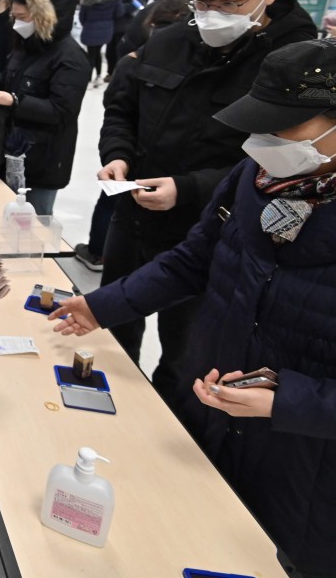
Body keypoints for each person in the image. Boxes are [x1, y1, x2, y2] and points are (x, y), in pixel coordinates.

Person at [51, 38, 336, 578]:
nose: (265, 142)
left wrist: (290, 401)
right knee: (190, 539)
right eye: (261, 125)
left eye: (285, 129)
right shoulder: (254, 180)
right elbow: (192, 260)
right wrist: (103, 305)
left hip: (310, 467)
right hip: (218, 413)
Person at [97, 0, 316, 401]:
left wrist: (189, 188)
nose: (213, 14)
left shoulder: (295, 67)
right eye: (203, 1)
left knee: (188, 358)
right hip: (133, 217)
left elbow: (279, 161)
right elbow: (121, 108)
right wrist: (116, 155)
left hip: (215, 234)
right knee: (112, 332)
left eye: (231, 3)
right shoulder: (172, 40)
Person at [74, 0, 193, 272]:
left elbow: (113, 108)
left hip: (153, 173)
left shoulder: (133, 61)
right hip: (133, 165)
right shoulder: (135, 63)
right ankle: (99, 253)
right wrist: (117, 153)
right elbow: (117, 114)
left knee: (111, 204)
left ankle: (96, 252)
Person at [0, 0, 89, 215]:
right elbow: (7, 79)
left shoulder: (71, 59)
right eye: (14, 18)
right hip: (14, 151)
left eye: (23, 18)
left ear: (46, 15)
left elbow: (61, 111)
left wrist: (15, 102)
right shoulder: (27, 46)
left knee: (35, 227)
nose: (17, 24)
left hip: (44, 161)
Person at [78, 0, 124, 86]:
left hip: (90, 28)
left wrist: (87, 24)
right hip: (107, 29)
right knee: (98, 52)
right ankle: (98, 76)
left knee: (91, 54)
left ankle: (88, 79)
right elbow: (119, 13)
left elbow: (82, 16)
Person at [106, 0, 146, 81]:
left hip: (126, 24)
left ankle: (119, 75)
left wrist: (118, 8)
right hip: (113, 24)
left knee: (120, 50)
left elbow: (136, 5)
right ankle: (110, 72)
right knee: (110, 51)